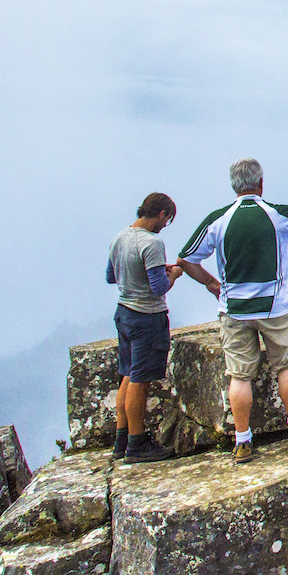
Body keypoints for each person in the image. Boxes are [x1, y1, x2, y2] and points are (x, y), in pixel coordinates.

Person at [176, 158, 288, 464]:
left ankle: (242, 442)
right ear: (261, 183)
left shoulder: (219, 219)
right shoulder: (276, 214)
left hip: (234, 309)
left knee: (240, 376)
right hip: (275, 307)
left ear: (234, 185)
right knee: (286, 365)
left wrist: (211, 284)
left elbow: (186, 258)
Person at [106, 192, 183, 464]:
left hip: (123, 312)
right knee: (140, 379)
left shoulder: (120, 237)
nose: (165, 225)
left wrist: (151, 269)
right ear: (161, 214)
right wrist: (171, 274)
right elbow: (159, 288)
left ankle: (121, 439)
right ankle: (137, 444)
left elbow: (110, 276)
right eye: (167, 219)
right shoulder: (152, 243)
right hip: (146, 317)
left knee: (128, 374)